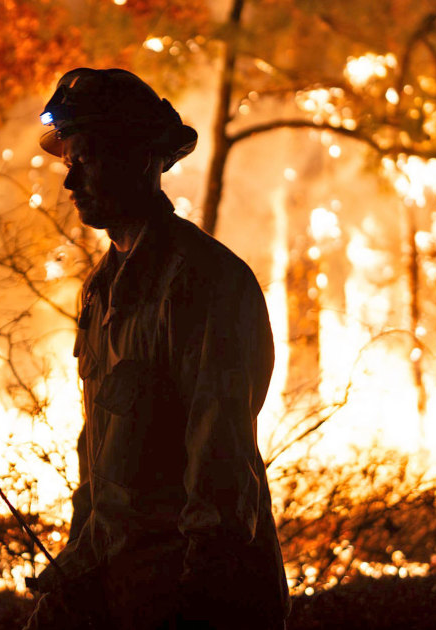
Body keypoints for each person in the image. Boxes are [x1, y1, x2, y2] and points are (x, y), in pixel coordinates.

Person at [23, 68, 289, 630]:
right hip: (119, 588)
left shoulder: (202, 282)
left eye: (87, 159)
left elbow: (220, 463)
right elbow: (99, 461)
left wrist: (200, 599)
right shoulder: (101, 291)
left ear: (142, 158)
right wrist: (77, 568)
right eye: (69, 163)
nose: (71, 183)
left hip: (195, 597)